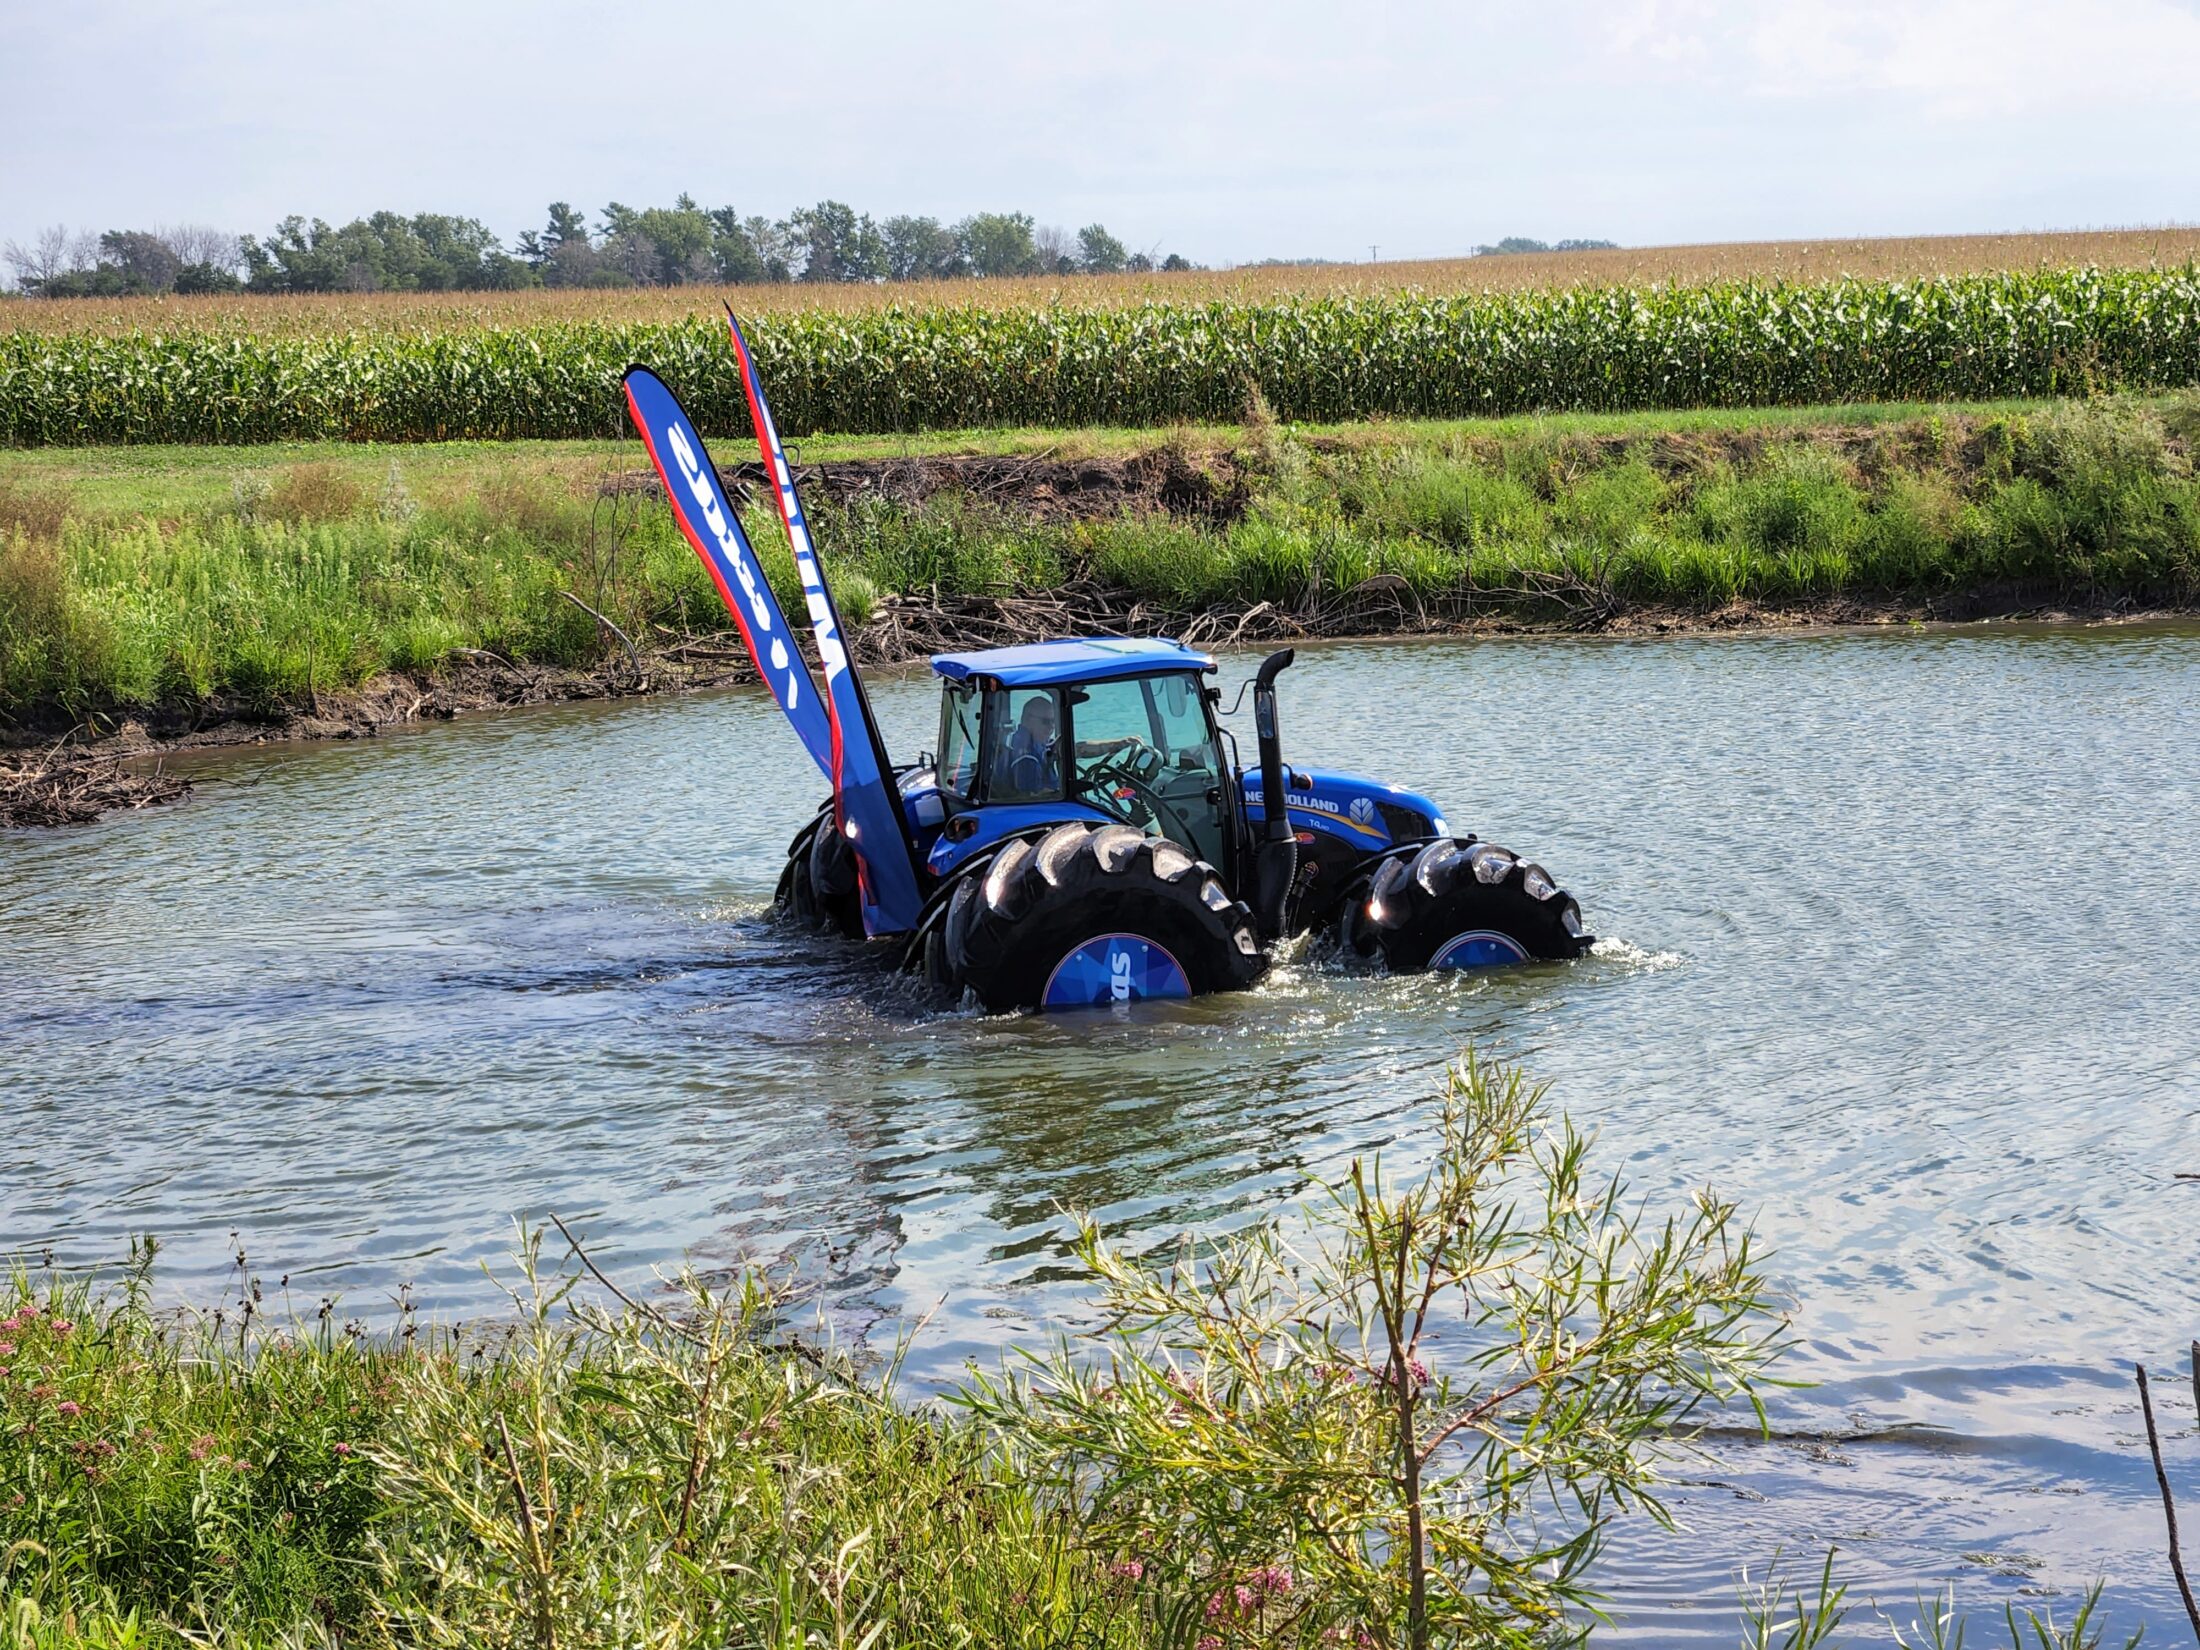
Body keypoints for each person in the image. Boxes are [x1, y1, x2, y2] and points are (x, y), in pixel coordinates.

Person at [997, 694, 1142, 796]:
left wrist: (1118, 744)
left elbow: (1078, 749)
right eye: (1046, 722)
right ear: (1027, 719)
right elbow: (1033, 797)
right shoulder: (1026, 757)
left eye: (1054, 722)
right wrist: (1073, 791)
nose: (1051, 727)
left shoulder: (1034, 741)